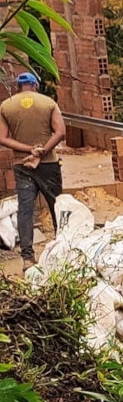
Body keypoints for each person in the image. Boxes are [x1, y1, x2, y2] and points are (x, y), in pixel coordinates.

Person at [0, 71, 66, 272]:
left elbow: (2, 138)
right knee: (58, 206)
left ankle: (28, 258)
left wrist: (29, 150)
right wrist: (42, 151)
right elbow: (61, 132)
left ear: (18, 88)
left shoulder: (6, 106)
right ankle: (64, 250)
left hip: (23, 165)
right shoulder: (47, 103)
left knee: (25, 210)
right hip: (48, 165)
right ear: (35, 86)